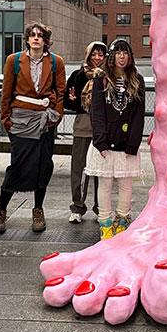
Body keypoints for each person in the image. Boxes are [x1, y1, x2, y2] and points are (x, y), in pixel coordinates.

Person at [0, 22, 65, 234]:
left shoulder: (55, 62)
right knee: (18, 165)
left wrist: (56, 117)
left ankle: (38, 209)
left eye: (40, 36)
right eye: (32, 35)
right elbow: (6, 91)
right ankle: (2, 210)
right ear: (27, 39)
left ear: (45, 40)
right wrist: (6, 120)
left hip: (45, 120)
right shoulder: (14, 60)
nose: (36, 39)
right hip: (20, 120)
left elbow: (60, 91)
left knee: (43, 164)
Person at [85, 39, 145, 239]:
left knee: (126, 184)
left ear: (130, 56)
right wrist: (100, 141)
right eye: (118, 52)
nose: (121, 56)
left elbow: (138, 116)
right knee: (105, 184)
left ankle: (122, 222)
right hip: (105, 143)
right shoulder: (101, 79)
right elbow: (97, 113)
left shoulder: (137, 80)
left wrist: (133, 144)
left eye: (125, 52)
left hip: (126, 143)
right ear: (112, 56)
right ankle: (105, 224)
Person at [64, 41, 107, 223]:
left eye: (100, 55)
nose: (97, 58)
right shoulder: (77, 75)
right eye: (93, 54)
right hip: (82, 124)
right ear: (88, 55)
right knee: (78, 168)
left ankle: (101, 208)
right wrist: (73, 99)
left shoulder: (108, 76)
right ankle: (77, 207)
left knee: (101, 171)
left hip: (102, 128)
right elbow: (68, 101)